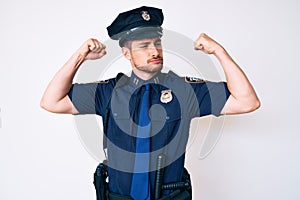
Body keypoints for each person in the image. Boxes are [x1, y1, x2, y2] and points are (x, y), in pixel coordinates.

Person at [40, 6, 260, 200]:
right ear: (126, 54)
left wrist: (219, 53)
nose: (155, 51)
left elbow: (246, 102)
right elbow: (52, 101)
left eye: (157, 43)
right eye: (144, 46)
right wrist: (79, 56)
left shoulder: (183, 91)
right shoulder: (108, 92)